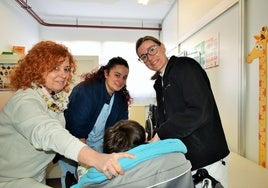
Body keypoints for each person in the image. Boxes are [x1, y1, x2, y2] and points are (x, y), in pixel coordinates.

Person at [0, 41, 133, 188]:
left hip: (36, 176)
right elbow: (48, 132)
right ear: (37, 68)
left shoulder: (53, 99)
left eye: (66, 68)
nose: (63, 74)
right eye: (55, 68)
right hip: (9, 179)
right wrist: (95, 158)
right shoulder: (24, 100)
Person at [135, 36, 230, 187]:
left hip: (207, 157)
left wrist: (161, 133)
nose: (150, 58)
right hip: (186, 159)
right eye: (144, 57)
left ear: (163, 47)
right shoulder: (160, 83)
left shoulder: (185, 67)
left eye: (152, 50)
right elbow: (167, 118)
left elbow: (199, 111)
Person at [58, 56, 131, 187]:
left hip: (98, 147)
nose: (120, 80)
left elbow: (121, 128)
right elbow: (77, 129)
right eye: (117, 75)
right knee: (75, 181)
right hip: (75, 145)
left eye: (124, 77)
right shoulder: (86, 91)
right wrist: (85, 161)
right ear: (106, 73)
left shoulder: (120, 98)